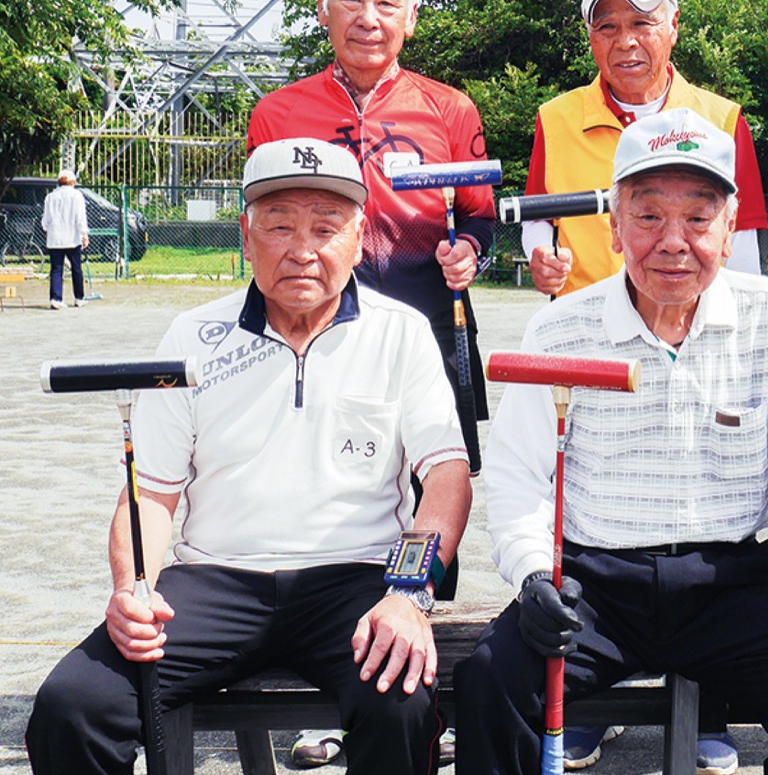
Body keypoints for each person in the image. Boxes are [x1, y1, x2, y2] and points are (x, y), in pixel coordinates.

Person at [25, 138, 472, 775]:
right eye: (279, 225)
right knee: (73, 705)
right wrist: (132, 589)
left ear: (359, 238)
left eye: (326, 227)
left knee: (399, 703)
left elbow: (447, 476)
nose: (302, 250)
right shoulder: (192, 336)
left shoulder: (399, 332)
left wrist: (408, 593)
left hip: (355, 578)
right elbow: (151, 493)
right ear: (245, 234)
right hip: (214, 580)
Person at [454, 108, 768, 775]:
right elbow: (517, 477)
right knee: (488, 681)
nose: (674, 242)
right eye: (649, 216)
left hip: (727, 584)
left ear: (730, 227)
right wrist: (533, 573)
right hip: (595, 589)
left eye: (699, 218)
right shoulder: (560, 329)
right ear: (614, 227)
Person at [247, 0, 493, 476]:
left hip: (431, 321)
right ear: (322, 7)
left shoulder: (451, 109)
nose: (368, 18)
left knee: (438, 479)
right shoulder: (276, 114)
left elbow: (480, 216)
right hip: (314, 330)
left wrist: (470, 251)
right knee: (323, 478)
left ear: (411, 17)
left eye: (387, 1)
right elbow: (261, 226)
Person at [524, 0, 768, 300]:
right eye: (607, 27)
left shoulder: (722, 120)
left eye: (641, 23)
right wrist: (539, 254)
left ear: (673, 26)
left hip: (694, 322)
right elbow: (537, 216)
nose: (625, 41)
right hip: (586, 318)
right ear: (590, 35)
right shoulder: (555, 119)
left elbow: (741, 236)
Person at [41, 168, 89, 309]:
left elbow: (45, 219)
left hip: (55, 238)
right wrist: (84, 233)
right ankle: (79, 297)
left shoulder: (50, 197)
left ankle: (55, 298)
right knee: (76, 268)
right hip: (72, 238)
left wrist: (46, 229)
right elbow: (80, 217)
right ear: (72, 182)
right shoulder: (77, 196)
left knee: (56, 269)